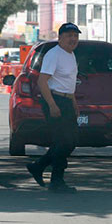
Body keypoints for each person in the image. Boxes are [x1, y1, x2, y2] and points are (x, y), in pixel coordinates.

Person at [26, 22, 81, 193]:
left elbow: (68, 82)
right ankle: (57, 181)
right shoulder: (54, 54)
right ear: (60, 38)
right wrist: (52, 105)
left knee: (70, 141)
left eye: (75, 36)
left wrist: (74, 102)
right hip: (55, 99)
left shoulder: (70, 55)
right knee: (63, 141)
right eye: (69, 35)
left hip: (67, 101)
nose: (73, 39)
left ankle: (38, 166)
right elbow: (42, 81)